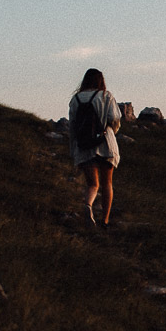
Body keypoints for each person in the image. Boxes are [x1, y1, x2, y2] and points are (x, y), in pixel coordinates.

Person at [68, 68, 121, 228]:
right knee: (107, 184)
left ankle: (88, 205)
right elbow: (114, 118)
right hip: (105, 144)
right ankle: (104, 220)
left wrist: (73, 149)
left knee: (92, 184)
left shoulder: (75, 99)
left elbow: (72, 126)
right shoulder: (106, 96)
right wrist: (112, 130)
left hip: (85, 146)